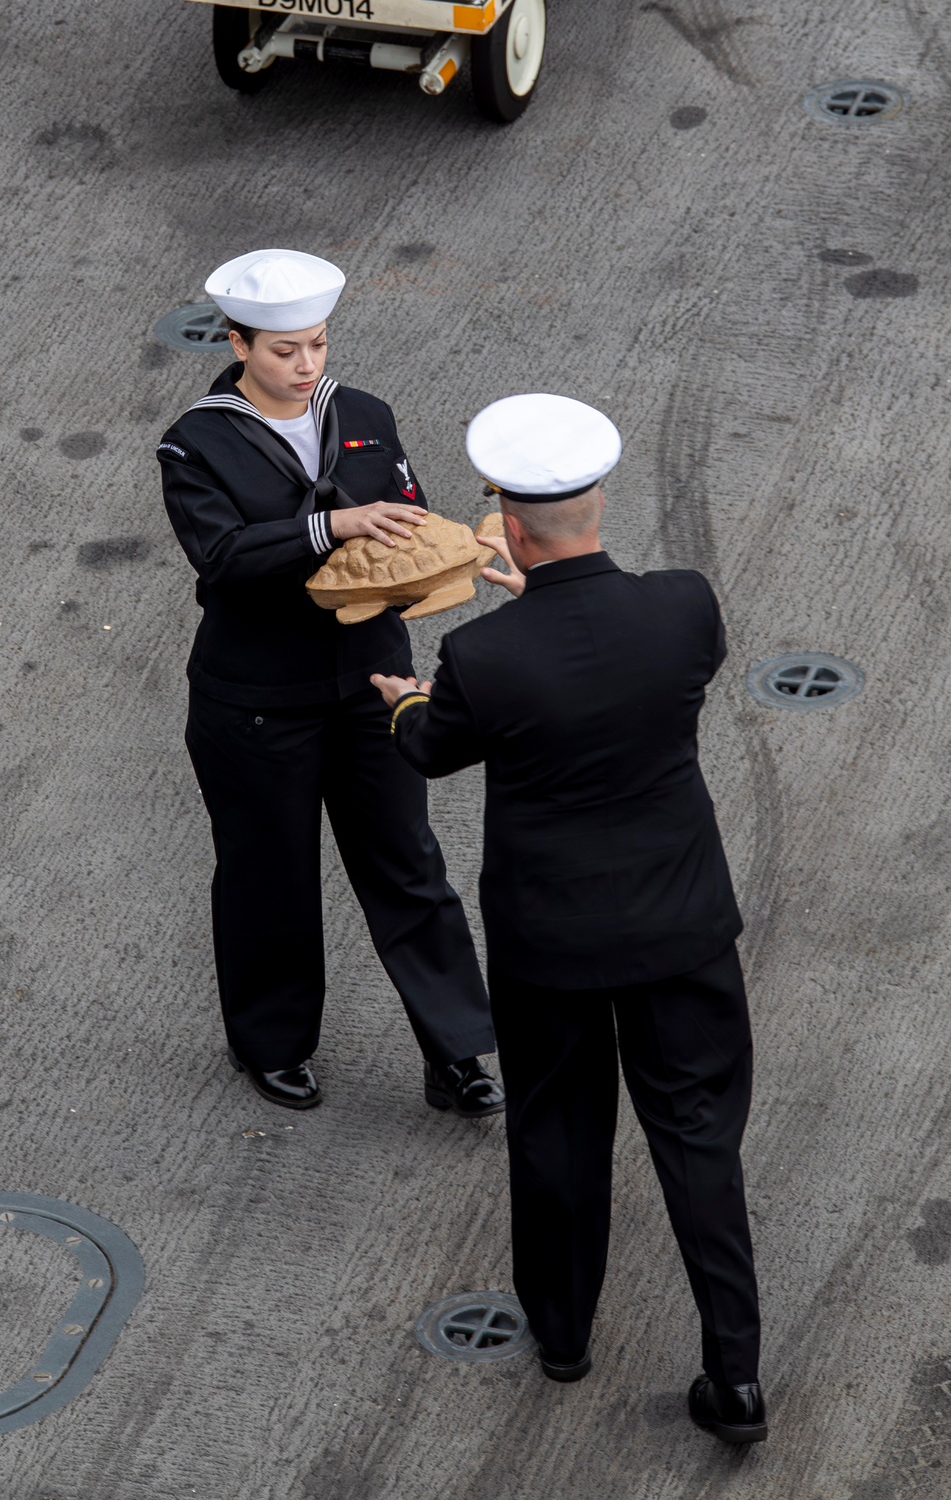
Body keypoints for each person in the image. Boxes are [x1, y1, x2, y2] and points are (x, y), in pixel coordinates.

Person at [371, 393, 765, 1443]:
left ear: (505, 523)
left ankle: (561, 1337)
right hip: (680, 925)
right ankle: (734, 1375)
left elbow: (432, 746)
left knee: (555, 1136)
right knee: (697, 1143)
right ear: (595, 504)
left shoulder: (486, 660)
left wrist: (403, 697)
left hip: (551, 945)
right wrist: (544, 606)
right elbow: (625, 664)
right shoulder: (683, 605)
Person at [156, 248, 503, 1120]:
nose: (305, 364)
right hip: (256, 700)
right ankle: (270, 1046)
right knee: (267, 874)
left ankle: (458, 1051)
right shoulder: (193, 443)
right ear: (237, 344)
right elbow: (224, 560)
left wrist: (453, 553)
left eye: (314, 344)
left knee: (410, 866)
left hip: (370, 682)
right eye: (283, 350)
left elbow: (408, 511)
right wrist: (331, 524)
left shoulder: (366, 414)